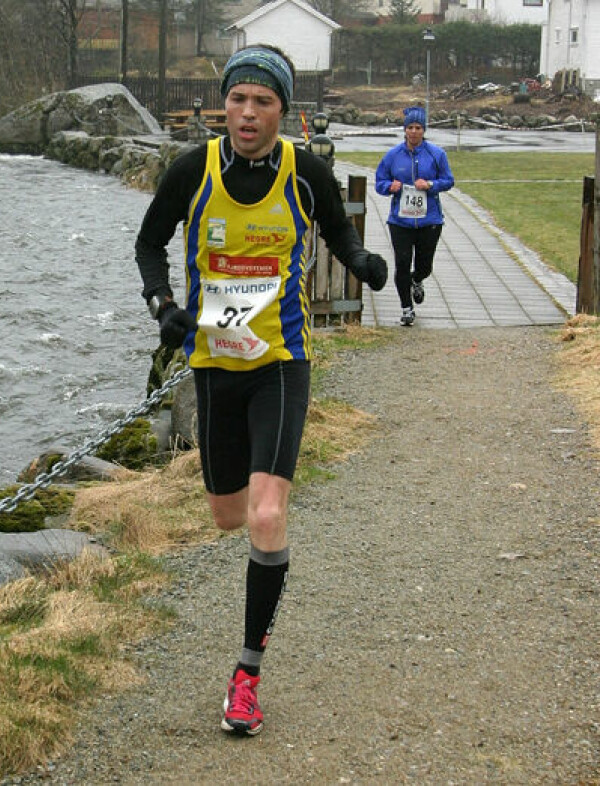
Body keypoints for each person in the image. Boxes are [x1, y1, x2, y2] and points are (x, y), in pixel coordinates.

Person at [134, 44, 388, 736]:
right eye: (238, 100)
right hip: (215, 367)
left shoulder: (305, 172)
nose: (248, 114)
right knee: (227, 516)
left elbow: (336, 230)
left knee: (268, 517)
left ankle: (246, 676)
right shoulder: (193, 170)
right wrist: (164, 305)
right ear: (225, 104)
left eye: (263, 102)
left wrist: (361, 260)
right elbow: (149, 244)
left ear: (284, 109)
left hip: (280, 359)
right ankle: (253, 512)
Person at [374, 106, 455, 326]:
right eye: (410, 127)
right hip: (400, 221)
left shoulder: (436, 154)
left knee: (424, 265)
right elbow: (379, 182)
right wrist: (389, 186)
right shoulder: (393, 155)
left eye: (418, 127)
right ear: (404, 130)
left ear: (424, 130)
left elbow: (448, 180)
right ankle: (406, 308)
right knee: (401, 264)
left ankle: (417, 279)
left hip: (429, 220)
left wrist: (430, 184)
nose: (414, 132)